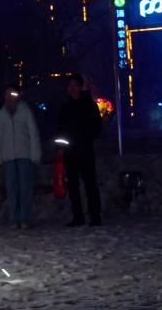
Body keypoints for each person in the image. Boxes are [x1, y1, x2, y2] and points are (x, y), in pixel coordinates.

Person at [56, 74, 103, 227]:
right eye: (70, 86)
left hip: (85, 150)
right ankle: (78, 216)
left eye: (75, 85)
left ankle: (95, 216)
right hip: (70, 152)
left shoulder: (90, 105)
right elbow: (60, 131)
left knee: (90, 184)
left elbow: (97, 127)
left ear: (80, 87)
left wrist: (85, 138)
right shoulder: (65, 107)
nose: (72, 89)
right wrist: (61, 148)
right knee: (73, 185)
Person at [0, 84, 41, 229]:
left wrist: (35, 154)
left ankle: (25, 218)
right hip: (8, 157)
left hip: (24, 154)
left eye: (12, 94)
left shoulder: (25, 111)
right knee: (12, 188)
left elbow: (33, 133)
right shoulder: (1, 115)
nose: (10, 97)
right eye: (7, 95)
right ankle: (14, 218)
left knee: (25, 187)